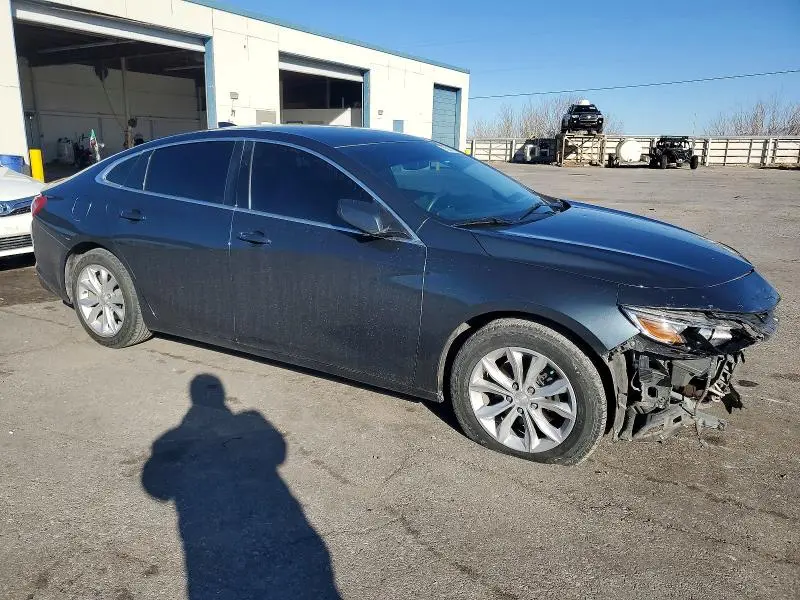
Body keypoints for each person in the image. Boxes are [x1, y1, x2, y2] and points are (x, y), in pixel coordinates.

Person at [142, 374, 340, 600]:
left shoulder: (174, 437)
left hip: (210, 548)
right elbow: (278, 453)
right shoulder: (247, 421)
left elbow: (156, 488)